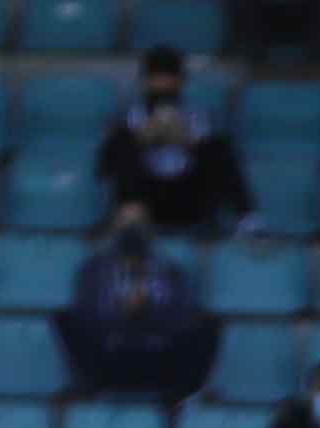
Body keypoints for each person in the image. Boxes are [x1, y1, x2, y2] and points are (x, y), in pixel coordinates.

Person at [56, 205, 222, 403]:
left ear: (149, 230)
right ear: (114, 228)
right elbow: (87, 318)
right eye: (126, 223)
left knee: (209, 326)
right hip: (110, 357)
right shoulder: (94, 271)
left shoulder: (170, 272)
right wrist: (122, 313)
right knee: (64, 321)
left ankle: (180, 395)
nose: (131, 230)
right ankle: (92, 388)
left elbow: (182, 320)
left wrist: (147, 314)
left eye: (137, 224)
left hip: (159, 357)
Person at [96, 47, 253, 236]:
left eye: (169, 79)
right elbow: (103, 168)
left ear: (180, 82)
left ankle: (248, 222)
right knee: (123, 141)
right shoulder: (129, 118)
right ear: (145, 81)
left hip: (187, 198)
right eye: (157, 78)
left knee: (217, 145)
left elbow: (216, 160)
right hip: (144, 203)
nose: (163, 86)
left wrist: (187, 141)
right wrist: (143, 138)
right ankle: (129, 221)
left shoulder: (198, 117)